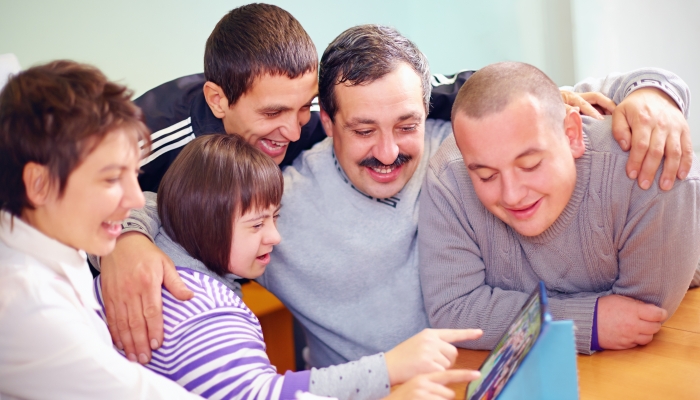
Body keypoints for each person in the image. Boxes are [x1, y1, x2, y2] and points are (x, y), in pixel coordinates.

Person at [121, 24, 693, 369]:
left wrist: (654, 95)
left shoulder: (464, 135)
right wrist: (130, 238)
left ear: (427, 109)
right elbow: (171, 220)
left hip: (519, 371)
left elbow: (566, 98)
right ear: (326, 122)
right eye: (363, 131)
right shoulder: (276, 205)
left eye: (405, 125)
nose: (390, 152)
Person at [94, 133, 482, 399]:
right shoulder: (197, 305)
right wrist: (390, 371)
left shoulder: (168, 248)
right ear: (205, 221)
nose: (275, 237)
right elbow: (265, 395)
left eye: (274, 219)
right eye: (258, 224)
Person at [418, 62, 700, 355]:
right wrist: (580, 320)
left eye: (530, 165)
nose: (512, 195)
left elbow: (637, 318)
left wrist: (655, 90)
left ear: (572, 136)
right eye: (486, 176)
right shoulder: (449, 174)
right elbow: (453, 310)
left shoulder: (654, 174)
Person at [0, 61, 199, 399]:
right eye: (110, 178)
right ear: (39, 183)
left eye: (133, 175)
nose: (136, 198)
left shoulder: (58, 238)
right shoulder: (27, 304)